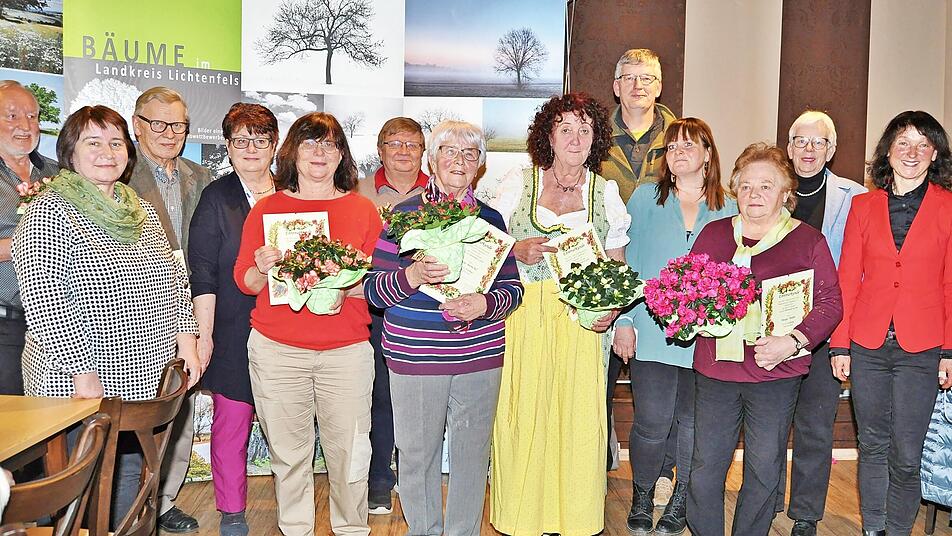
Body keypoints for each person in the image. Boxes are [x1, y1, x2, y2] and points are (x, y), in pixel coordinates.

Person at [11, 104, 201, 525]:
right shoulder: (50, 210)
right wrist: (82, 374)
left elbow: (174, 280)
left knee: (126, 483)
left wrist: (187, 341)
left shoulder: (140, 210)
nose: (107, 152)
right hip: (78, 385)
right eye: (93, 143)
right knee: (75, 496)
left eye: (116, 143)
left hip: (143, 383)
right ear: (70, 153)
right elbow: (47, 302)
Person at [477, 92, 631, 536]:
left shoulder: (605, 194)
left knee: (578, 418)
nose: (575, 138)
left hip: (582, 322)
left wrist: (613, 311)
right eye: (566, 128)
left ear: (596, 139)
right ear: (548, 136)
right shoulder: (518, 183)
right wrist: (515, 249)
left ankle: (574, 518)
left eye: (585, 129)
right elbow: (486, 248)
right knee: (524, 412)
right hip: (523, 316)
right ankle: (523, 517)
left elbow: (618, 267)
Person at [365, 120, 523, 535]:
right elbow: (374, 291)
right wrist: (412, 276)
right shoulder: (404, 215)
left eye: (469, 154)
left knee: (472, 459)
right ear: (431, 161)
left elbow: (513, 289)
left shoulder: (491, 219)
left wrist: (485, 304)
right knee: (417, 457)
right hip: (416, 357)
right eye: (449, 151)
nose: (459, 160)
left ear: (479, 166)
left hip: (479, 358)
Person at [233, 112, 381, 536]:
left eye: (330, 144)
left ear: (341, 156)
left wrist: (343, 289)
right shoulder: (267, 209)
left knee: (351, 454)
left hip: (346, 353)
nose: (319, 152)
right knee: (289, 455)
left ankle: (351, 529)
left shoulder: (363, 210)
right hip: (277, 351)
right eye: (310, 142)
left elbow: (377, 282)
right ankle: (295, 528)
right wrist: (263, 268)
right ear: (292, 152)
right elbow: (244, 281)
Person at [686, 143, 842, 536]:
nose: (754, 194)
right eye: (746, 186)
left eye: (766, 186)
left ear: (785, 193)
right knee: (705, 466)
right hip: (717, 371)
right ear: (735, 190)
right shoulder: (713, 234)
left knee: (764, 467)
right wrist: (689, 313)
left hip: (775, 373)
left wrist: (792, 341)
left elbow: (830, 304)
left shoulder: (807, 240)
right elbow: (686, 290)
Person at [830, 111, 952, 536]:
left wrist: (949, 350)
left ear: (934, 154)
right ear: (888, 151)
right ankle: (874, 529)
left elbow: (951, 282)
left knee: (906, 452)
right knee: (872, 444)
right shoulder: (863, 206)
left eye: (922, 145)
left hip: (924, 347)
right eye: (903, 143)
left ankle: (898, 530)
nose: (912, 152)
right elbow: (847, 278)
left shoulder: (948, 207)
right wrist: (840, 344)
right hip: (868, 344)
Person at [613, 117, 736, 535]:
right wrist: (624, 320)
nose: (678, 152)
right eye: (671, 147)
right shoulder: (645, 198)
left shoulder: (729, 206)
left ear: (708, 153)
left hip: (707, 339)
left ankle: (682, 499)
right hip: (651, 332)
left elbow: (738, 273)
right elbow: (626, 263)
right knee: (651, 421)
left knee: (692, 424)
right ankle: (643, 494)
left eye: (689, 145)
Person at [187, 103, 278, 536]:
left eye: (260, 139)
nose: (251, 148)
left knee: (290, 425)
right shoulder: (216, 198)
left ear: (275, 145)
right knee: (233, 424)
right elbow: (202, 273)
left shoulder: (295, 194)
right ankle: (232, 512)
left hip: (291, 328)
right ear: (227, 145)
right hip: (232, 327)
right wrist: (204, 336)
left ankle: (293, 505)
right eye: (241, 140)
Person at [127, 86, 213, 534]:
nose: (168, 132)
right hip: (135, 313)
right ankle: (127, 504)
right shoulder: (119, 175)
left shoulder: (202, 177)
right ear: (137, 125)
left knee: (182, 403)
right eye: (157, 123)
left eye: (177, 125)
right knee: (136, 414)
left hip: (189, 308)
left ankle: (164, 500)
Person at [778, 111, 866, 536]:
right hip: (774, 330)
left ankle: (806, 514)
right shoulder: (770, 188)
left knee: (814, 426)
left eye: (819, 142)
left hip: (827, 330)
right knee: (769, 424)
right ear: (789, 146)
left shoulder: (856, 197)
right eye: (801, 141)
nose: (809, 150)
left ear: (831, 150)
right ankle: (765, 500)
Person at [601, 48, 678, 498]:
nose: (637, 86)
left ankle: (663, 476)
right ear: (616, 86)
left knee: (665, 394)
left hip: (661, 282)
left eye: (646, 78)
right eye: (628, 77)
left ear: (659, 86)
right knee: (596, 386)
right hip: (603, 278)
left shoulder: (682, 136)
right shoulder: (592, 135)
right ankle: (592, 471)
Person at [355, 116, 429, 515]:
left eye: (412, 144)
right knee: (380, 397)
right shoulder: (358, 192)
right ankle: (380, 479)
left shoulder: (439, 194)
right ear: (380, 150)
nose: (403, 151)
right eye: (394, 143)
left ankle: (415, 477)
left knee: (419, 400)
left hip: (426, 312)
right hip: (376, 307)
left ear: (423, 152)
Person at [0, 80, 58, 396]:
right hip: (4, 325)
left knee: (56, 421)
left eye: (33, 116)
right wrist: (30, 243)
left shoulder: (61, 176)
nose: (25, 125)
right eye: (12, 116)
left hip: (54, 329)